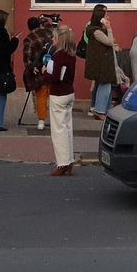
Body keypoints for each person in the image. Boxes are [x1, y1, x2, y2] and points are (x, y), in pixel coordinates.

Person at [45, 24, 79, 176]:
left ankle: (63, 163)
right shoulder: (71, 55)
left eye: (54, 36)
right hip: (69, 92)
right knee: (68, 128)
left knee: (58, 130)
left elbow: (54, 77)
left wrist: (45, 72)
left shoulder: (58, 56)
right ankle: (70, 160)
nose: (52, 38)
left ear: (60, 39)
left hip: (58, 94)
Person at [83, 4, 119, 119]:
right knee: (105, 85)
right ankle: (99, 110)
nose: (107, 17)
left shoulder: (97, 30)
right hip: (101, 63)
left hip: (101, 62)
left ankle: (103, 109)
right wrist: (109, 28)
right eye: (105, 14)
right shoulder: (96, 31)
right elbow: (109, 42)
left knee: (104, 85)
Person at [21, 15, 52, 131]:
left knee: (41, 96)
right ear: (39, 25)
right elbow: (49, 25)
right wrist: (43, 18)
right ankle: (55, 119)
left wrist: (30, 67)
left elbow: (26, 56)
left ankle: (41, 121)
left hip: (39, 70)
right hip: (52, 67)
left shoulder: (29, 39)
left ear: (28, 27)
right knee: (53, 95)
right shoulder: (48, 33)